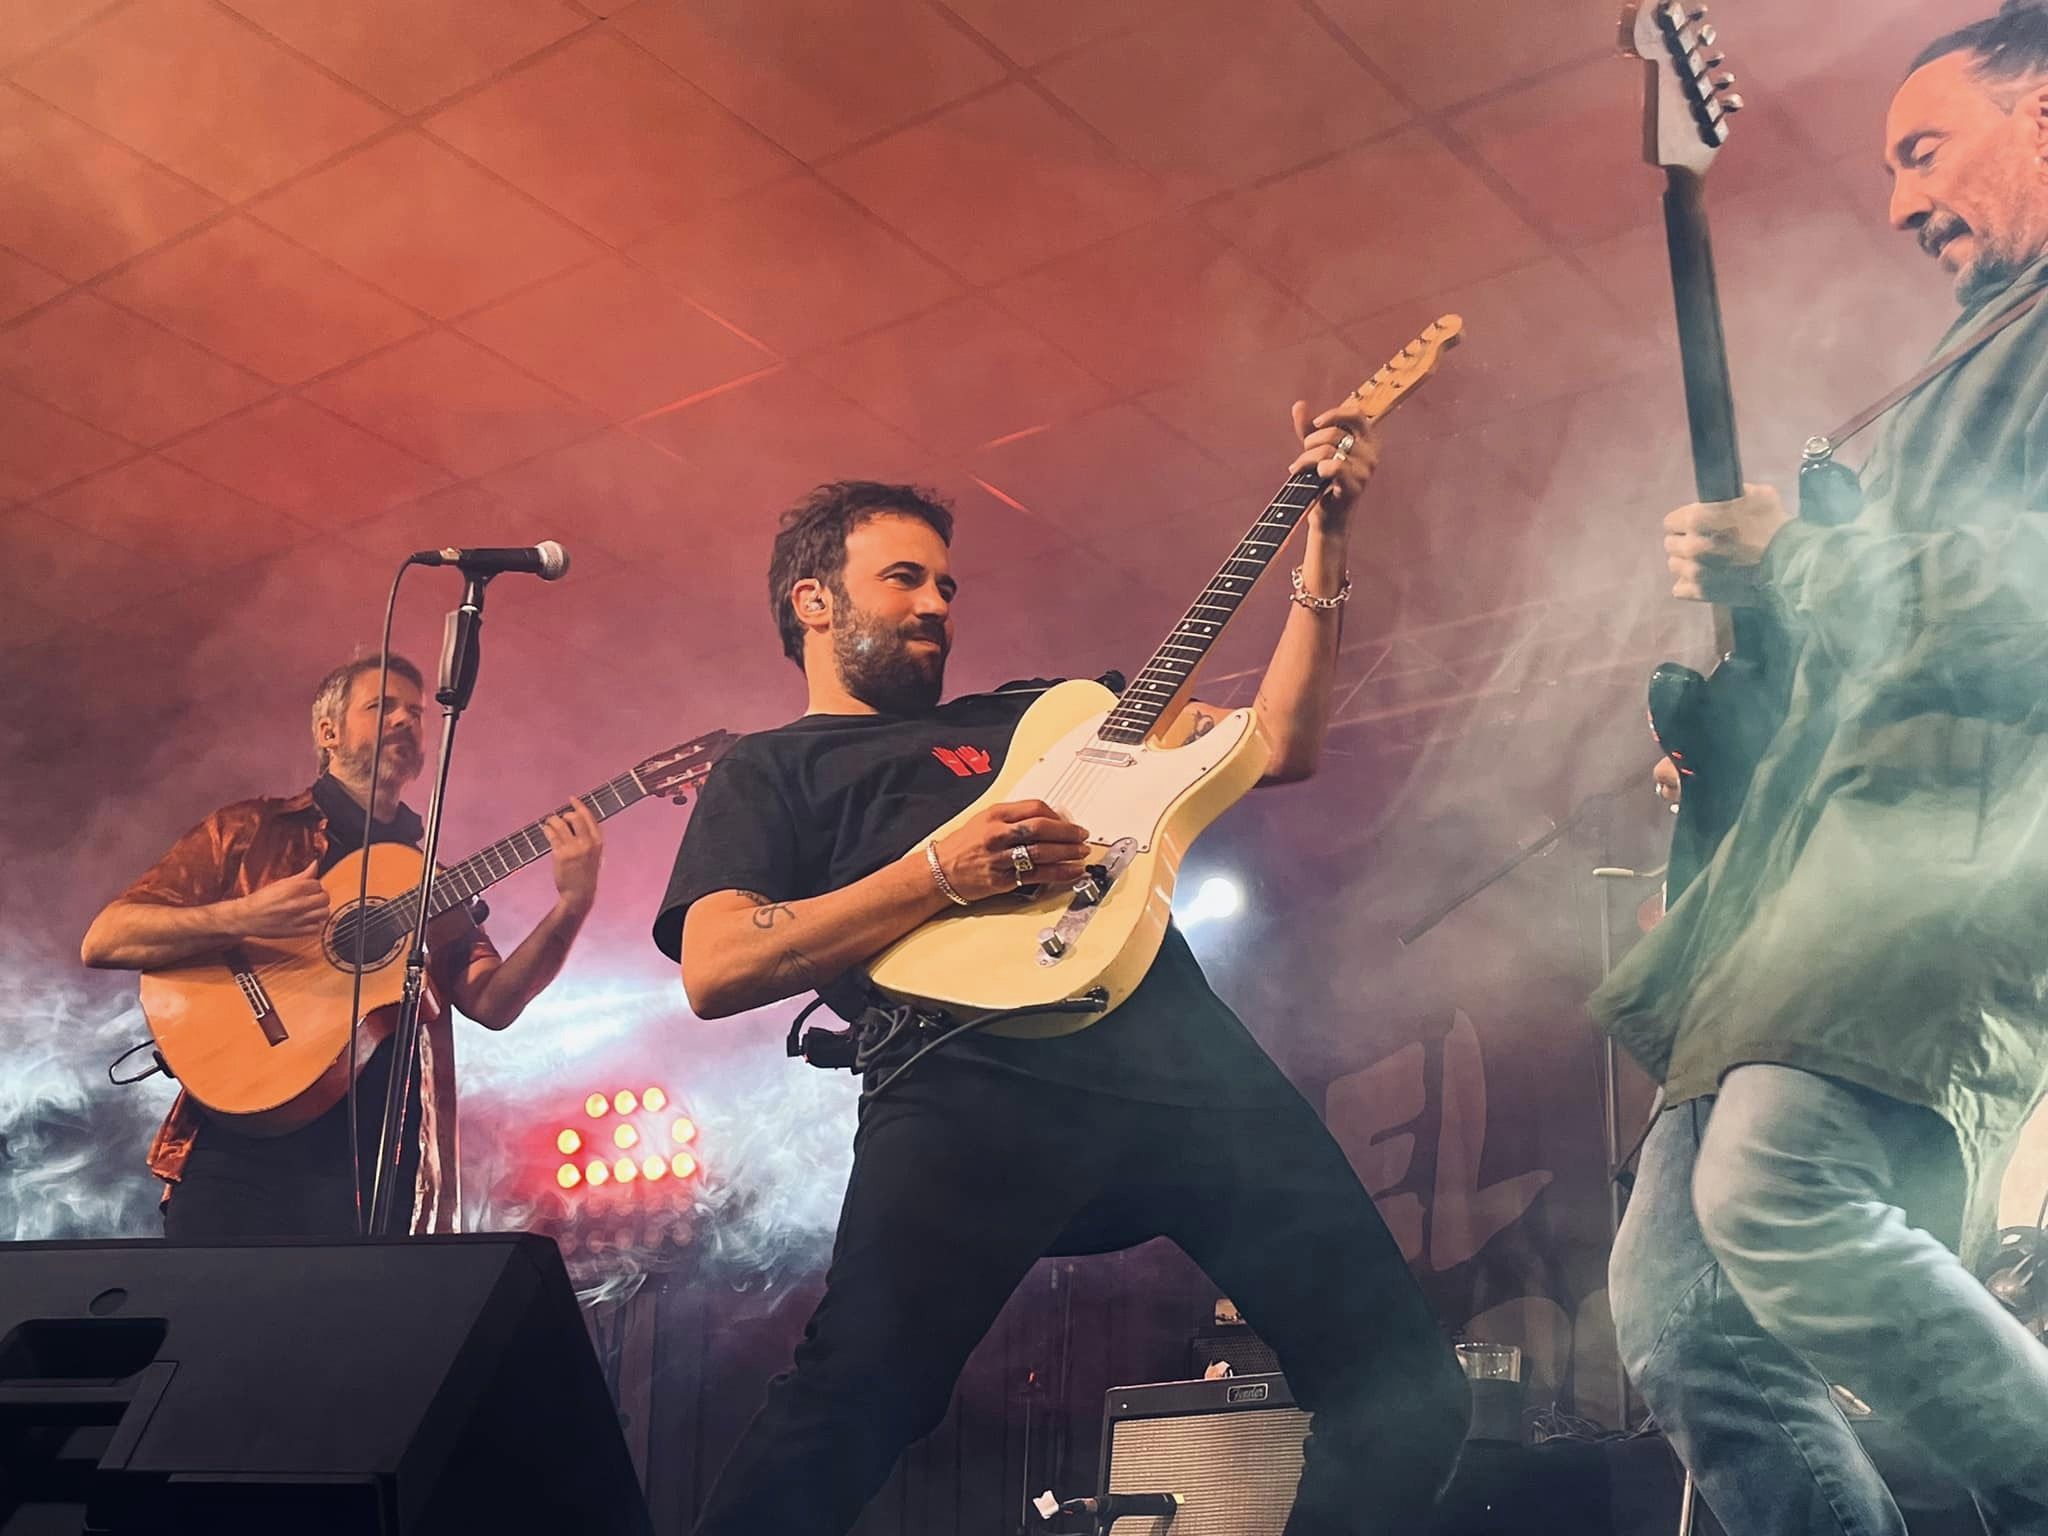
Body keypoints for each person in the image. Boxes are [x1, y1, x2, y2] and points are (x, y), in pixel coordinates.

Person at [652, 393, 1470, 1536]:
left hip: (1177, 1056)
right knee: (851, 1403)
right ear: (813, 601)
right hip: (963, 1076)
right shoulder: (773, 771)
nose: (936, 603)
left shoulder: (1048, 713)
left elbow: (1279, 743)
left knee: (1408, 1389)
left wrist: (1325, 536)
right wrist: (935, 876)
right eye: (903, 579)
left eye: (947, 585)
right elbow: (715, 965)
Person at [1595, 5, 2048, 1531]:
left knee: (1776, 1194)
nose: (1902, 199)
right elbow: (1871, 650)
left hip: (1952, 854)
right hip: (1813, 878)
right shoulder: (1966, 359)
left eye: (1924, 148)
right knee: (1678, 1315)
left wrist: (1804, 558)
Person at [81, 653, 604, 1239]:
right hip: (234, 1157)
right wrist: (241, 916)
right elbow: (107, 937)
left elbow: (494, 1002)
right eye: (381, 706)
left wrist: (571, 907)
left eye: (415, 712)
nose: (405, 719)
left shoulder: (426, 879)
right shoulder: (250, 831)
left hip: (376, 1171)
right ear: (328, 733)